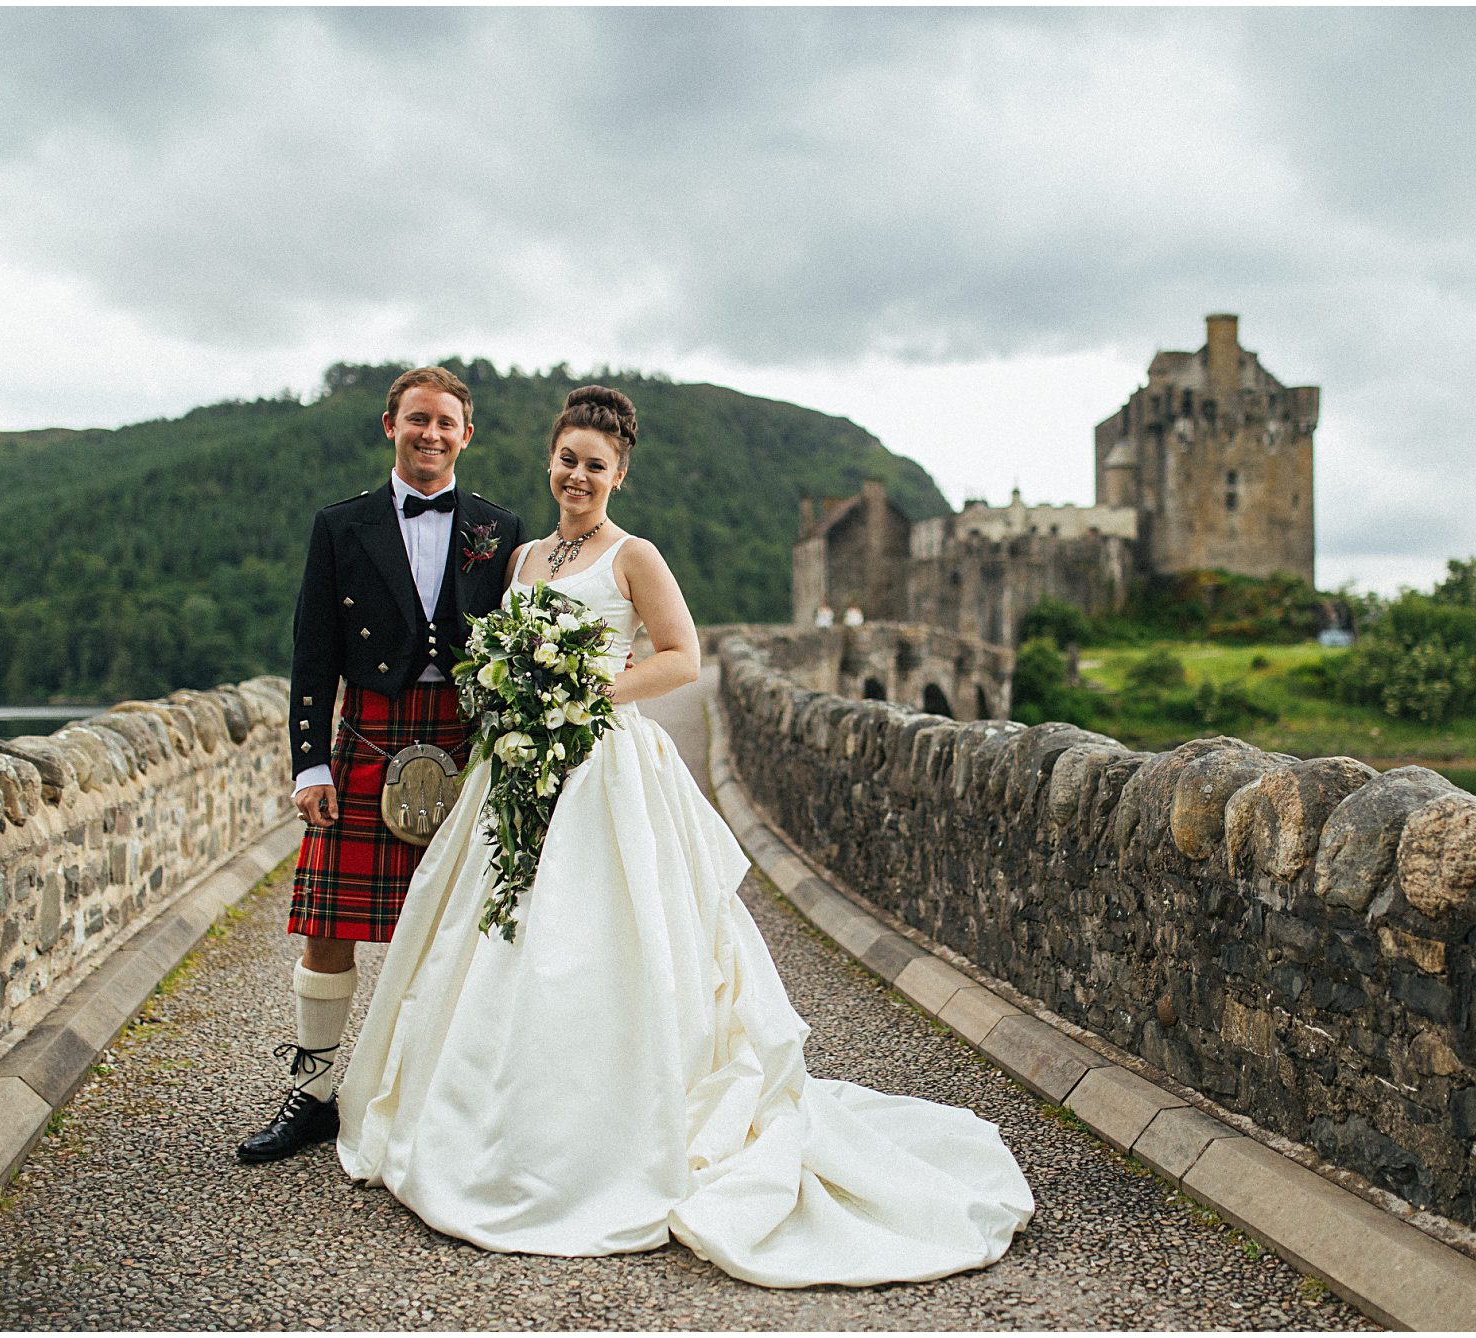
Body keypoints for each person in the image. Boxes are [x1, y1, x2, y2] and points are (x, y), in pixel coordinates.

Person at [336, 385, 1033, 1286]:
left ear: (618, 473)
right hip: (520, 770)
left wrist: (583, 695)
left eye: (596, 464)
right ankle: (482, 1121)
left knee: (601, 945)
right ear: (550, 460)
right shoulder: (522, 559)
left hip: (603, 768)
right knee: (496, 933)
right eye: (567, 458)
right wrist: (516, 702)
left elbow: (681, 658)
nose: (577, 475)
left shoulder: (635, 558)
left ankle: (610, 1133)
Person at [238, 366, 523, 1164]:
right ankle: (315, 1093)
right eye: (416, 420)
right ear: (388, 425)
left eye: (446, 423)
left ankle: (439, 1097)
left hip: (466, 744)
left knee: (461, 929)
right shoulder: (342, 525)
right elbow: (312, 649)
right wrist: (308, 765)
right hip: (366, 735)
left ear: (468, 434)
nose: (430, 434)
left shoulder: (501, 528)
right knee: (327, 928)